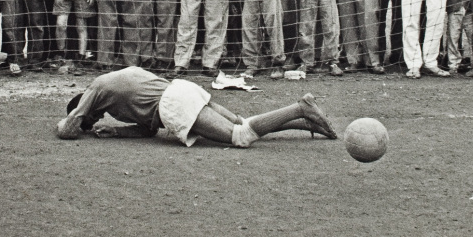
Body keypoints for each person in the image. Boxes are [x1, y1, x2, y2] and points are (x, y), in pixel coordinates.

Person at [56, 67, 337, 145]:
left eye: (89, 120)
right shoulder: (118, 90)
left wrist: (75, 118)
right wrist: (117, 132)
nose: (91, 122)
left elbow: (67, 130)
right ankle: (307, 122)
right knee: (241, 122)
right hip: (181, 89)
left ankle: (300, 108)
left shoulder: (96, 88)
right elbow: (149, 131)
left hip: (173, 104)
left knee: (241, 137)